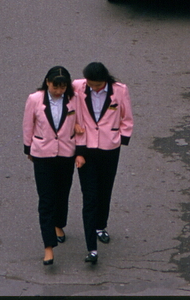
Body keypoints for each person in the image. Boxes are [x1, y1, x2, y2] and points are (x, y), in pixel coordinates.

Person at [73, 62, 133, 265]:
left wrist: (121, 139)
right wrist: (74, 125)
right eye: (91, 85)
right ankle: (91, 247)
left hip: (110, 148)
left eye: (98, 85)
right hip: (86, 149)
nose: (95, 88)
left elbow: (127, 118)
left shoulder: (120, 90)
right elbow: (66, 106)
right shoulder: (77, 87)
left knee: (105, 189)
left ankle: (101, 226)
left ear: (105, 80)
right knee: (89, 196)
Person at [23, 65, 83, 267]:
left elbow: (80, 121)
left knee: (62, 193)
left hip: (66, 153)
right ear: (47, 82)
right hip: (42, 154)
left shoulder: (74, 99)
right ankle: (48, 246)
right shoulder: (35, 99)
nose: (58, 91)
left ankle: (59, 224)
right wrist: (28, 149)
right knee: (46, 199)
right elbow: (28, 125)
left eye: (62, 87)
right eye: (55, 86)